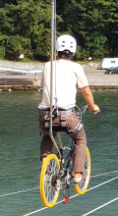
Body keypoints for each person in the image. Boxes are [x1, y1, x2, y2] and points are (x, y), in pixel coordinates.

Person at [38, 34, 100, 183]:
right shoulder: (76, 67)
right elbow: (86, 91)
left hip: (45, 115)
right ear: (73, 52)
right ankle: (78, 174)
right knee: (80, 139)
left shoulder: (47, 65)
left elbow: (42, 85)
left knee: (47, 135)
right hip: (67, 116)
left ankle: (46, 167)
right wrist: (93, 107)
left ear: (57, 51)